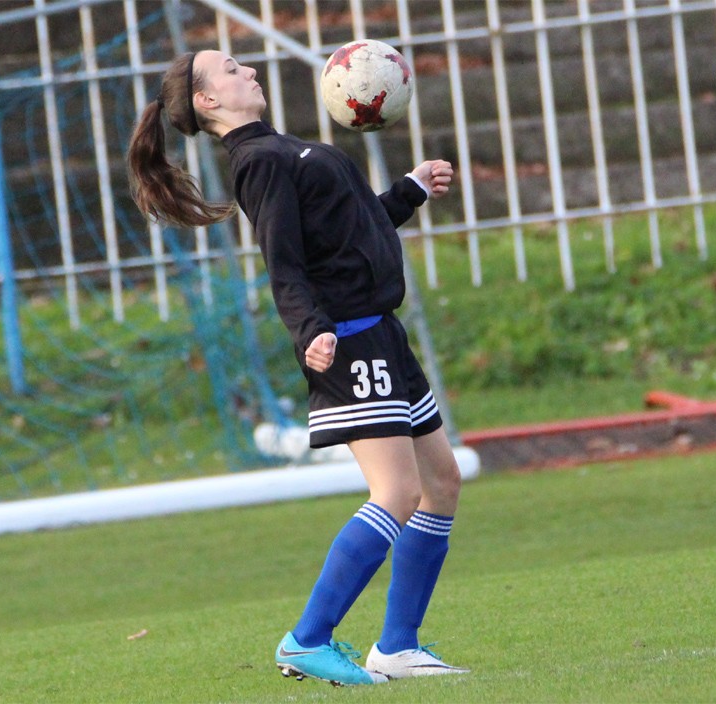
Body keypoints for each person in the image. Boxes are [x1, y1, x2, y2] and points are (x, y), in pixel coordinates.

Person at [127, 49, 467, 687]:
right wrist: (310, 330)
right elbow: (282, 261)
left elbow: (350, 230)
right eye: (231, 69)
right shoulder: (258, 161)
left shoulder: (281, 148)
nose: (249, 71)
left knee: (441, 483)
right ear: (206, 100)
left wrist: (409, 191)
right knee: (396, 493)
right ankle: (307, 639)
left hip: (384, 336)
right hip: (350, 342)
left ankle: (398, 647)